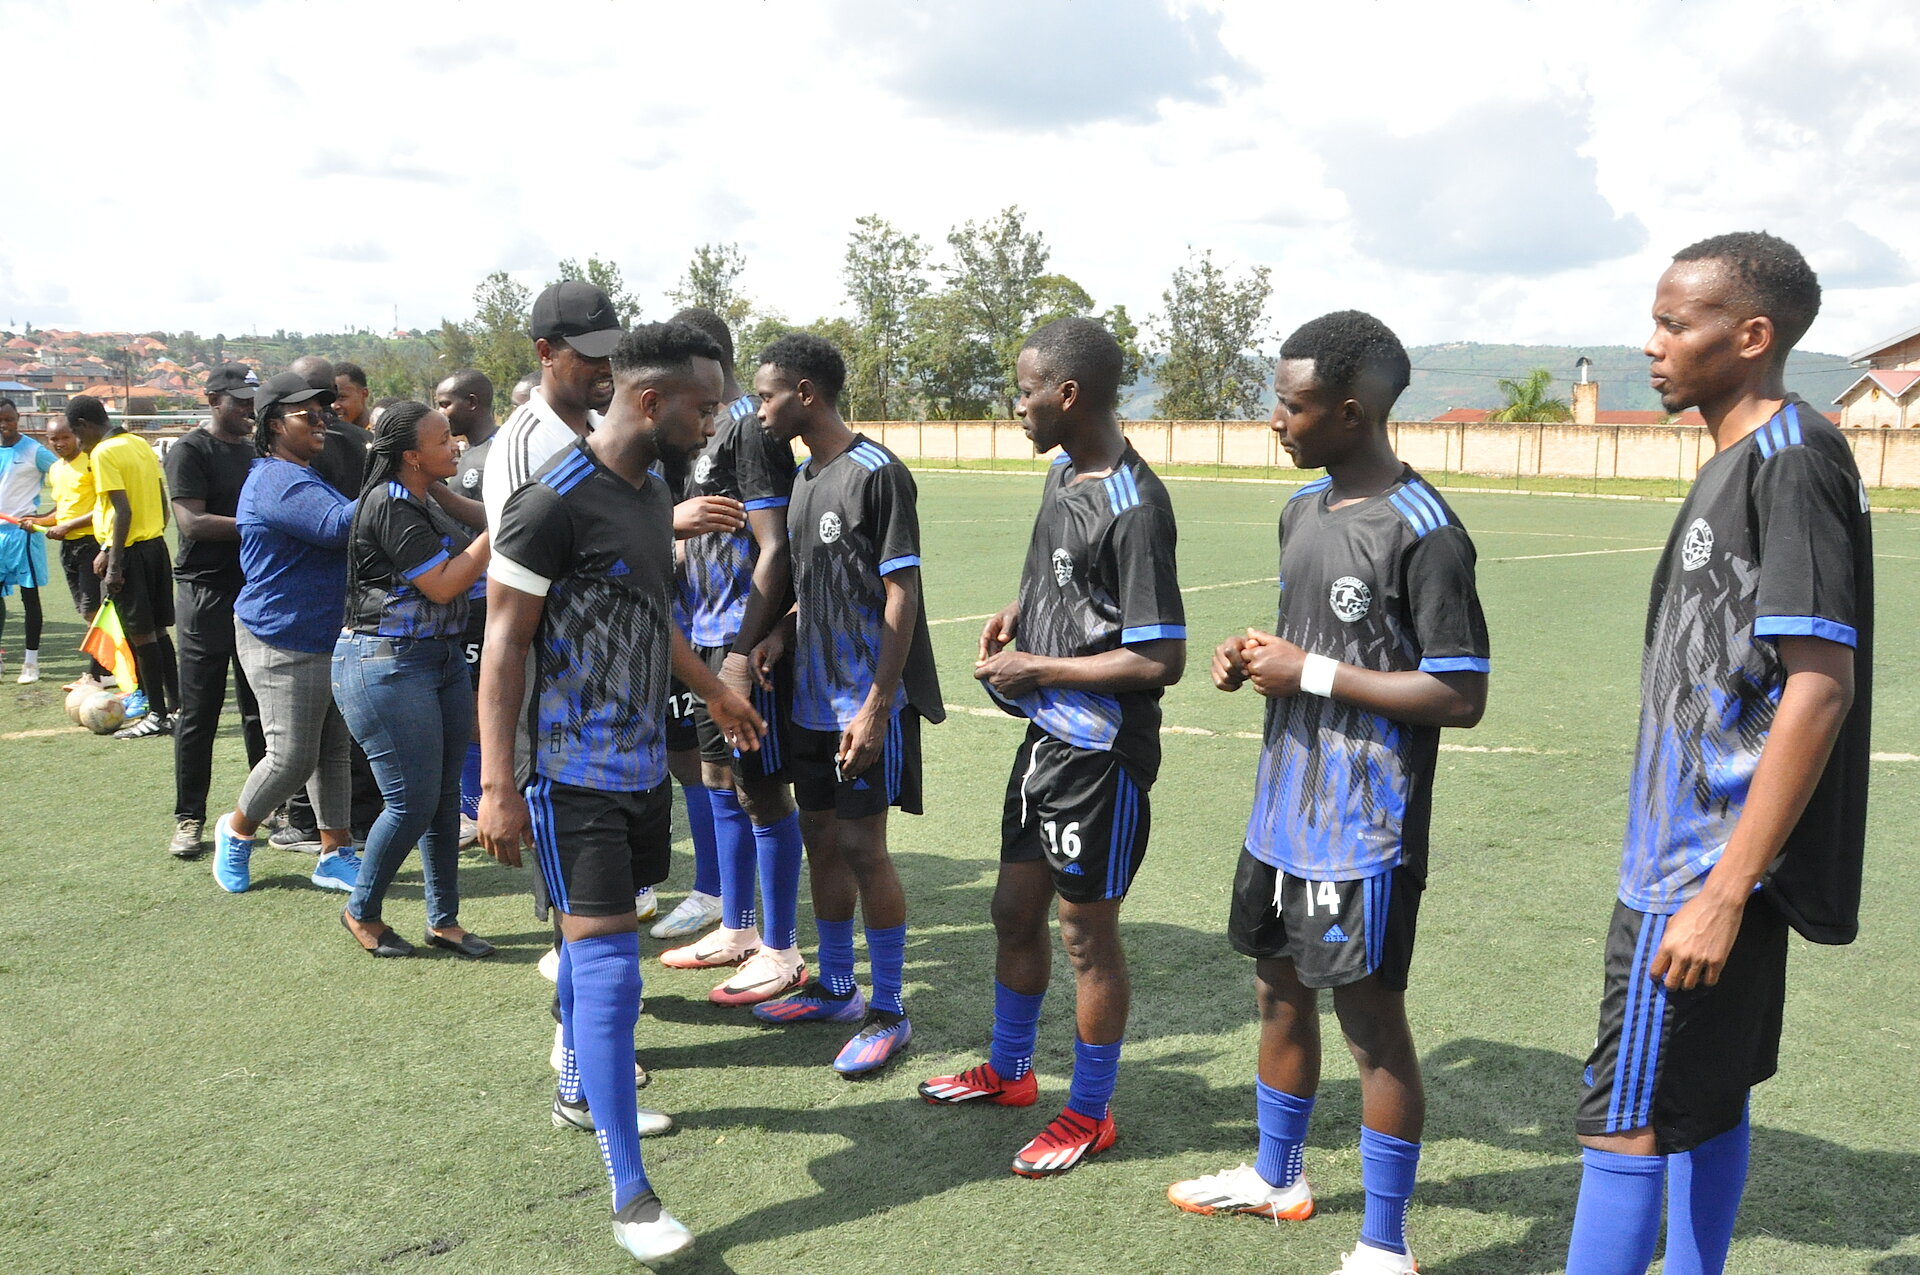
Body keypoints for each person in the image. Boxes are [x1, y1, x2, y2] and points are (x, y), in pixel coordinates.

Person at [1565, 234, 1873, 1275]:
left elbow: (1820, 686)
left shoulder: (1791, 459)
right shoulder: (1748, 458)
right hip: (1698, 858)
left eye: (1674, 323)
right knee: (1705, 1096)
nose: (1652, 344)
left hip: (1698, 867)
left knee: (1625, 1116)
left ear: (1751, 336)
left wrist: (1724, 892)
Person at [1165, 312, 1489, 1275]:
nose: (1276, 419)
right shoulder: (1303, 509)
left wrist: (1306, 672)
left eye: (1293, 405)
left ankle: (1385, 1244)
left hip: (1364, 827)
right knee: (1275, 988)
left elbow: (1461, 694)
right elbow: (1315, 645)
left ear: (1351, 412)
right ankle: (1278, 1176)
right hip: (1282, 810)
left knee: (1372, 1027)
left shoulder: (1425, 528)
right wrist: (1251, 657)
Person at [477, 321, 765, 1265]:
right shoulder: (548, 503)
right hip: (571, 777)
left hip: (644, 770)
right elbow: (503, 646)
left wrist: (713, 689)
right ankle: (632, 1195)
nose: (714, 421)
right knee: (610, 968)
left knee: (597, 946)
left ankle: (576, 1084)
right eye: (704, 405)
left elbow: (650, 613)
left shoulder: (652, 494)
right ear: (649, 401)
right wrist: (497, 784)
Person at [919, 317, 1186, 1177]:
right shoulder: (1064, 472)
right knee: (1011, 910)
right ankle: (1011, 1071)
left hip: (1101, 754)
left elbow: (1160, 656)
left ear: (1068, 394)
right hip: (1047, 737)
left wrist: (1040, 664)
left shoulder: (1134, 505)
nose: (1017, 404)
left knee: (1084, 935)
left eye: (1026, 389)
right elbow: (1069, 586)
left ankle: (1090, 1111)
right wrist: (1021, 613)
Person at [745, 333, 944, 1076]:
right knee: (820, 840)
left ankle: (890, 1009)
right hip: (807, 701)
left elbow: (900, 592)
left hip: (863, 703)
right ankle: (835, 988)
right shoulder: (804, 478)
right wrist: (780, 633)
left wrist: (877, 705)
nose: (759, 410)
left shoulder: (877, 473)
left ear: (805, 393)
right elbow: (816, 584)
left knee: (864, 848)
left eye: (766, 396)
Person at [652, 307, 805, 1001]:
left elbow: (776, 547)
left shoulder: (751, 427)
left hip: (743, 642)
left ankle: (782, 948)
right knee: (717, 778)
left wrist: (745, 650)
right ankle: (737, 928)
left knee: (759, 789)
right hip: (704, 635)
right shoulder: (702, 431)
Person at [333, 400, 493, 957]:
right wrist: (501, 533)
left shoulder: (425, 494)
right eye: (442, 439)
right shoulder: (390, 504)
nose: (455, 445)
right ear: (411, 456)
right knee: (411, 802)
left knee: (443, 799)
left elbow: (481, 517)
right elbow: (444, 584)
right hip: (387, 663)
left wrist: (506, 513)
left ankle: (443, 921)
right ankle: (361, 911)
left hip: (438, 660)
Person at [209, 373, 361, 896]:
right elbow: (337, 527)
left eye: (324, 412)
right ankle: (236, 830)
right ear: (275, 424)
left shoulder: (302, 475)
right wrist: (393, 481)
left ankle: (335, 854)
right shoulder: (277, 479)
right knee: (292, 756)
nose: (321, 421)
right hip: (282, 636)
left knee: (332, 750)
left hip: (321, 632)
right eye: (308, 414)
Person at [164, 364, 268, 858]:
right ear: (212, 399)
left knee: (259, 708)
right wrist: (262, 522)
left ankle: (264, 809)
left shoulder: (255, 451)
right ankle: (190, 817)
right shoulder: (190, 450)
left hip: (254, 590)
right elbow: (192, 522)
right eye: (239, 399)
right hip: (204, 592)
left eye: (253, 399)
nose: (249, 407)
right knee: (199, 710)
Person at [73, 396, 181, 739]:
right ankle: (177, 708)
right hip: (155, 546)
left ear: (83, 425)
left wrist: (114, 562)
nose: (78, 442)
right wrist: (152, 535)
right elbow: (161, 500)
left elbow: (122, 510)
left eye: (76, 435)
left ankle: (156, 715)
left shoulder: (104, 453)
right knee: (159, 632)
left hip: (129, 552)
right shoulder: (138, 443)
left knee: (141, 634)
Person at [436, 367, 497, 845]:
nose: (440, 413)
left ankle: (475, 808)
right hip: (456, 596)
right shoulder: (461, 455)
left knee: (477, 706)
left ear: (472, 402)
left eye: (445, 404)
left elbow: (499, 525)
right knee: (462, 704)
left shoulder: (495, 454)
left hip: (484, 598)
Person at [30, 415, 112, 687]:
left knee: (93, 612)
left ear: (76, 435)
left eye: (65, 437)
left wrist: (67, 526)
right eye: (53, 439)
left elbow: (103, 507)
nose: (59, 443)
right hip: (68, 548)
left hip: (91, 544)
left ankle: (97, 673)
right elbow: (62, 510)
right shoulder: (55, 469)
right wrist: (39, 521)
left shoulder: (91, 462)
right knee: (87, 612)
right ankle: (106, 671)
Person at [0, 398, 54, 684]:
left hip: (23, 534)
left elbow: (66, 477)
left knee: (29, 598)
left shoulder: (33, 450)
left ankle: (31, 663)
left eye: (9, 419)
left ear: (18, 418)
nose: (4, 425)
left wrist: (47, 516)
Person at [334, 361, 371, 428]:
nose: (334, 406)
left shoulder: (381, 432)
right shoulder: (326, 432)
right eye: (331, 399)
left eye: (341, 397)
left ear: (364, 394)